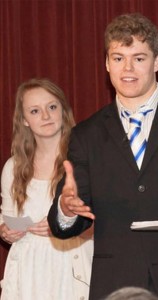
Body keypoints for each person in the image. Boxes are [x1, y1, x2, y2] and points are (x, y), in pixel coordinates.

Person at [48, 13, 158, 300]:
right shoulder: (85, 135)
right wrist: (66, 209)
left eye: (139, 58)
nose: (127, 68)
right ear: (106, 64)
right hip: (117, 285)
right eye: (118, 58)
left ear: (157, 62)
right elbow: (72, 222)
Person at [0, 78, 93, 300]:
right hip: (28, 271)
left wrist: (63, 226)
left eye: (52, 107)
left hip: (73, 265)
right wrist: (6, 231)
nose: (45, 116)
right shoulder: (14, 166)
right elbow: (10, 218)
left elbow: (106, 219)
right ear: (23, 120)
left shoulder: (84, 161)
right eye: (35, 111)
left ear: (63, 110)